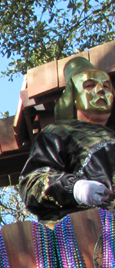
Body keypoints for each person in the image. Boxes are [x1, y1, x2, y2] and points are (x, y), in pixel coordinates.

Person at [19, 57, 115, 221]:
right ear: (73, 94)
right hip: (88, 231)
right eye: (89, 85)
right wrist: (75, 188)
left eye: (106, 86)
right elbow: (31, 183)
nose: (100, 90)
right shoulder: (58, 133)